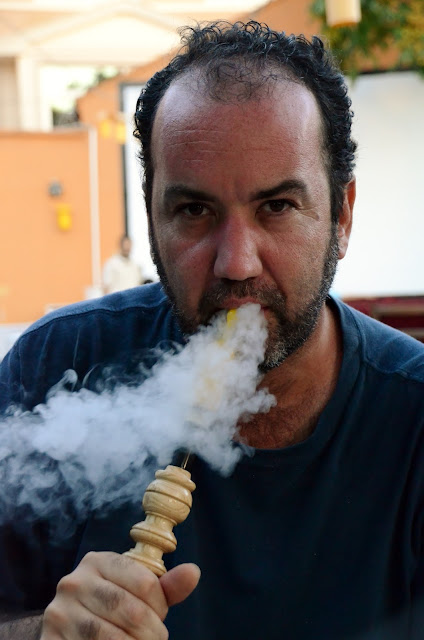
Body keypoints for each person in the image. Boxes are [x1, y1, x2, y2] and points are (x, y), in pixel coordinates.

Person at [0, 20, 423, 640]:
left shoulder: (413, 417)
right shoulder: (58, 366)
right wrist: (41, 633)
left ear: (342, 216)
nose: (236, 263)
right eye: (194, 210)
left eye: (277, 206)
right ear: (152, 221)